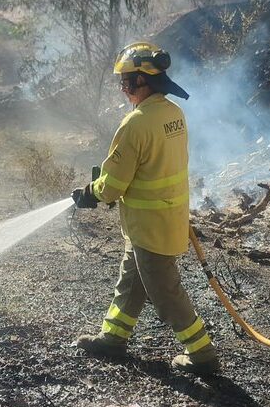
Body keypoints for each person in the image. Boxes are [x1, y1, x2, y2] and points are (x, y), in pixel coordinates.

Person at [71, 42, 219, 375]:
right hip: (162, 222)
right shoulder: (173, 114)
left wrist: (90, 193)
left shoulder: (135, 124)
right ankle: (113, 337)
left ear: (143, 81)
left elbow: (112, 185)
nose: (123, 89)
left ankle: (202, 354)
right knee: (131, 280)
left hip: (150, 227)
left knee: (166, 295)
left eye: (126, 81)